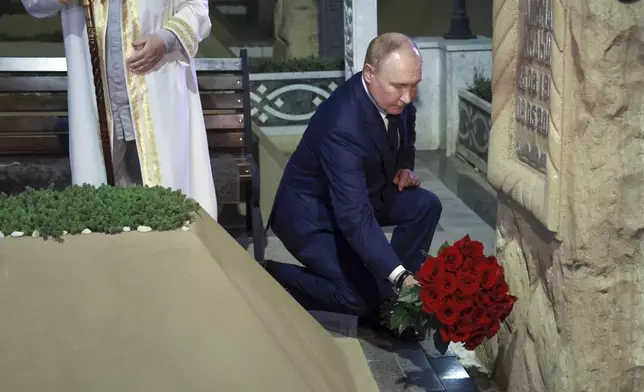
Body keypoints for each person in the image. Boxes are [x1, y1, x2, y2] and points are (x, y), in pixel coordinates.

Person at [265, 33, 442, 328]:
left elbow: (406, 131)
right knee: (357, 299)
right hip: (312, 215)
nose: (409, 97)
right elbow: (354, 217)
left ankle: (391, 302)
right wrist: (399, 275)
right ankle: (271, 274)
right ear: (369, 74)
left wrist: (403, 166)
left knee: (425, 205)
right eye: (400, 86)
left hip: (363, 193)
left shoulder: (397, 96)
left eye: (415, 85)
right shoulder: (342, 126)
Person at [21, 0, 218, 219]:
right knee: (103, 217)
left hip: (158, 100)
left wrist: (165, 39)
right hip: (97, 104)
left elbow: (197, 8)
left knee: (169, 211)